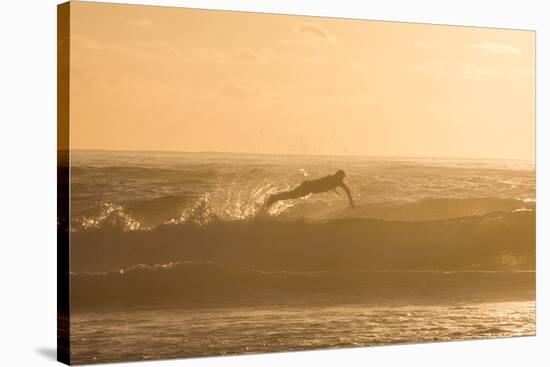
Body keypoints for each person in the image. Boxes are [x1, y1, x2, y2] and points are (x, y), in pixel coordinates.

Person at [265, 169, 355, 209]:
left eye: (341, 177)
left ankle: (274, 198)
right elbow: (346, 190)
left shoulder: (335, 181)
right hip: (308, 187)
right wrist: (351, 202)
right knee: (292, 195)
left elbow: (347, 190)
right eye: (340, 177)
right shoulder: (333, 180)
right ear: (338, 176)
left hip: (308, 186)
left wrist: (335, 190)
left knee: (292, 194)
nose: (341, 179)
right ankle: (273, 198)